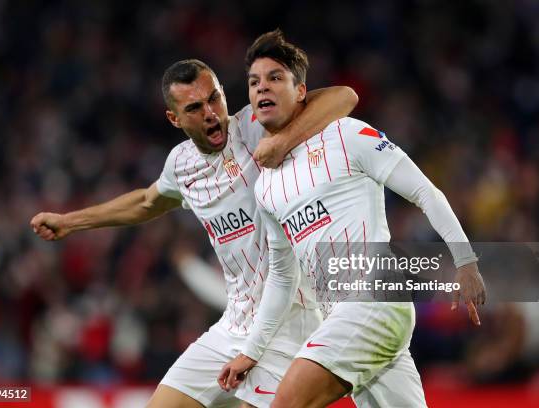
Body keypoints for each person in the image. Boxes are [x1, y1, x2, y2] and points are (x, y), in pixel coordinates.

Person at [30, 58, 357, 408]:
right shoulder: (181, 165)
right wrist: (69, 222)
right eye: (195, 107)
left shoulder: (255, 125)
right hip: (235, 323)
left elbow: (344, 98)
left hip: (292, 318)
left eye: (214, 98)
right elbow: (145, 202)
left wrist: (283, 141)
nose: (211, 113)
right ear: (175, 118)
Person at [218, 30, 486, 408]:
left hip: (372, 299)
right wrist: (252, 350)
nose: (263, 87)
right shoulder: (266, 187)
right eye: (254, 82)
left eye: (275, 77)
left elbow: (426, 192)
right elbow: (282, 277)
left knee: (286, 402)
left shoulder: (345, 134)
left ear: (301, 92)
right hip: (343, 315)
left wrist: (465, 261)